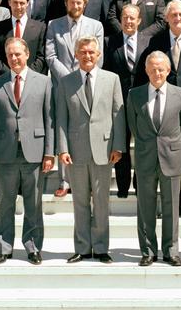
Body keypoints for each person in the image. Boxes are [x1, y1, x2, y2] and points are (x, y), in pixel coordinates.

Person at [0, 37, 54, 265]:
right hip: (5, 154)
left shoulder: (43, 82)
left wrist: (49, 153)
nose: (14, 58)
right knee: (5, 203)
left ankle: (33, 247)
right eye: (10, 55)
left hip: (34, 151)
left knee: (33, 203)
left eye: (18, 54)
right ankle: (4, 247)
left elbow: (49, 119)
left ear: (27, 55)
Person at [56, 36, 125, 264]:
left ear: (98, 55)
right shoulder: (66, 82)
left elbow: (118, 114)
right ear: (76, 55)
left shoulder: (112, 79)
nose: (87, 56)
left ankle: (102, 247)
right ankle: (83, 248)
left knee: (102, 201)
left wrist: (118, 146)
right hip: (76, 151)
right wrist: (62, 148)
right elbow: (61, 119)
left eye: (91, 53)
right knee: (80, 201)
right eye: (83, 52)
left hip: (104, 150)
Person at [137, 0, 181, 219]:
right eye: (173, 15)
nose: (177, 19)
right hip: (165, 108)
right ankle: (173, 205)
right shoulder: (156, 40)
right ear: (166, 18)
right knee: (169, 161)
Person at [126, 52, 181, 267]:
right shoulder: (134, 95)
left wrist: (174, 147)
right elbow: (133, 126)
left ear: (168, 70)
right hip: (145, 157)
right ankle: (148, 251)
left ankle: (171, 250)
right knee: (145, 206)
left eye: (161, 69)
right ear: (146, 70)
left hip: (171, 156)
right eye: (152, 69)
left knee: (171, 205)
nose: (157, 73)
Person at [46, 0, 104, 197]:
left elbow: (99, 56)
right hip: (62, 86)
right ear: (66, 3)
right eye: (72, 2)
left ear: (84, 4)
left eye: (79, 3)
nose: (76, 6)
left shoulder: (96, 26)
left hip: (87, 84)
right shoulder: (54, 25)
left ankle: (86, 180)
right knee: (64, 127)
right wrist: (69, 78)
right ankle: (64, 181)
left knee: (85, 128)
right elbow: (50, 56)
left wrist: (81, 76)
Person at [103, 4, 150, 198]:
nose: (128, 21)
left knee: (141, 145)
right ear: (120, 20)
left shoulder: (149, 41)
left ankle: (139, 186)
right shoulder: (109, 42)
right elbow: (105, 71)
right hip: (118, 101)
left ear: (139, 21)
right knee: (120, 143)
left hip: (143, 101)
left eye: (132, 18)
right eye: (125, 18)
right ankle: (123, 188)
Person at [0, 0, 47, 76]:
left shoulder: (40, 28)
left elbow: (41, 56)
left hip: (32, 78)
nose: (18, 7)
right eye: (15, 2)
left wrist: (27, 75)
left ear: (27, 3)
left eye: (22, 3)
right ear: (9, 3)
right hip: (6, 79)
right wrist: (10, 74)